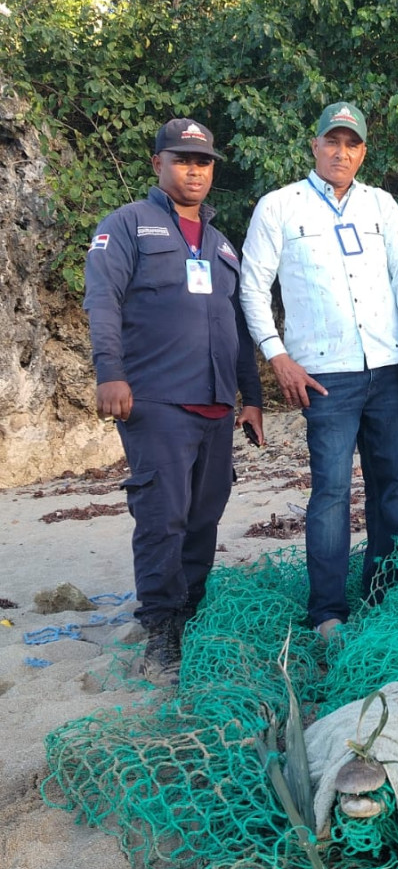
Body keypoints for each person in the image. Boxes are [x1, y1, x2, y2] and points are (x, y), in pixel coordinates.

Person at [83, 118, 264, 680]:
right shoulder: (126, 225)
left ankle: (191, 613)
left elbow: (237, 325)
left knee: (205, 516)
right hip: (156, 399)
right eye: (182, 159)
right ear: (158, 163)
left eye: (203, 161)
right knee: (163, 517)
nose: (194, 170)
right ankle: (161, 630)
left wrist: (251, 397)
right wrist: (110, 374)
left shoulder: (221, 243)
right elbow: (103, 300)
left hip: (216, 403)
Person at [239, 101, 398, 641]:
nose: (342, 153)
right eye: (333, 142)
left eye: (352, 144)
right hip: (324, 377)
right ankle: (328, 614)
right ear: (315, 145)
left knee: (393, 489)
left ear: (363, 152)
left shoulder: (381, 204)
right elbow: (252, 287)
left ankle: (383, 593)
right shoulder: (280, 206)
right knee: (331, 493)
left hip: (388, 369)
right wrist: (277, 356)